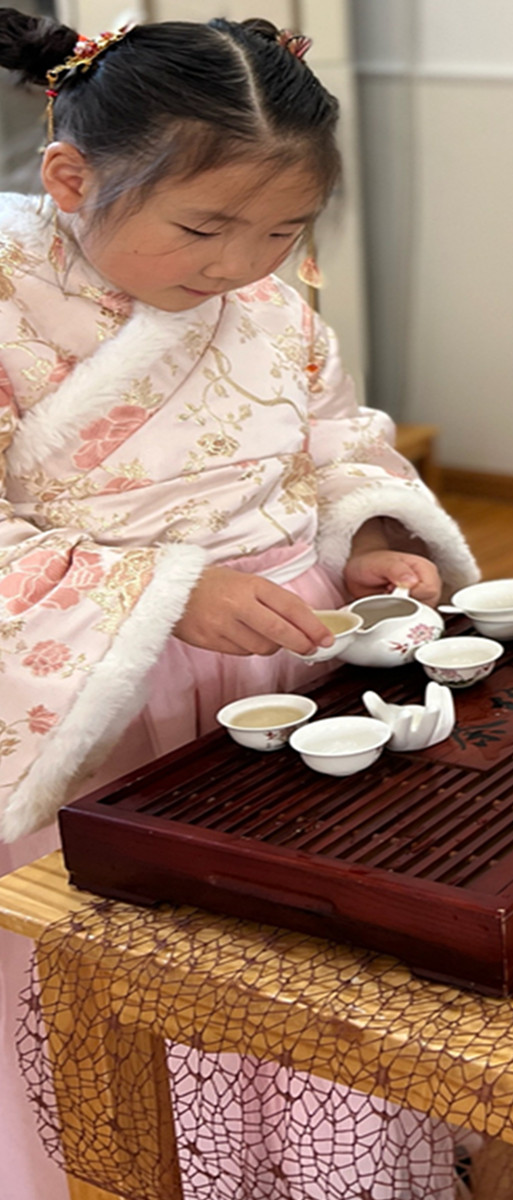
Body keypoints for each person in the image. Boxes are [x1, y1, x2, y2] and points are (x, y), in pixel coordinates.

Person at [0, 11, 479, 1199]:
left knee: (309, 935)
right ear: (71, 176)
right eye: (202, 227)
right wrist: (165, 591)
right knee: (135, 947)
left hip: (287, 649)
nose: (238, 266)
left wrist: (369, 535)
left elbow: (334, 433)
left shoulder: (271, 302)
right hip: (101, 675)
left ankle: (326, 1167)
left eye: (282, 229)